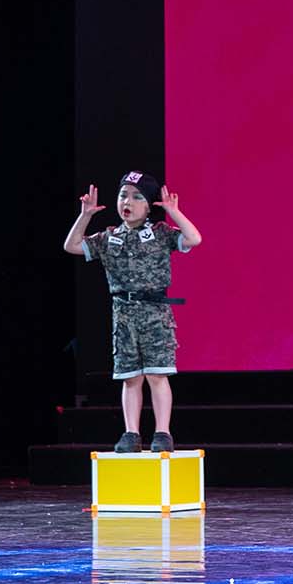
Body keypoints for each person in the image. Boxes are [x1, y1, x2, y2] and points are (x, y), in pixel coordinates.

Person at [63, 171, 202, 453]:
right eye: (123, 195)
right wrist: (85, 215)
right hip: (124, 316)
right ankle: (131, 433)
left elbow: (194, 238)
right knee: (130, 378)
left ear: (149, 205)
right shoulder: (109, 237)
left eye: (137, 197)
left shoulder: (160, 233)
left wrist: (173, 212)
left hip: (155, 314)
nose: (128, 202)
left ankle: (162, 432)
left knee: (157, 375)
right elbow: (72, 245)